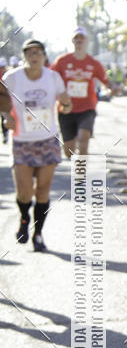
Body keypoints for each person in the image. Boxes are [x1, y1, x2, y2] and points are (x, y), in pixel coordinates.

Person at [1, 39, 72, 251]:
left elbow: (66, 105)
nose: (34, 56)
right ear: (24, 56)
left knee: (43, 190)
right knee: (24, 192)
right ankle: (25, 218)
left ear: (44, 56)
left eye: (38, 52)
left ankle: (38, 234)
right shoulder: (12, 78)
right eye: (30, 53)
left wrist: (67, 103)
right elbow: (2, 101)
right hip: (22, 141)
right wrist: (6, 117)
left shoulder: (53, 78)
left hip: (48, 139)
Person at [51, 27, 110, 158]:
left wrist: (112, 88)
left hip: (87, 108)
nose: (79, 40)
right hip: (66, 109)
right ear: (72, 40)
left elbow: (106, 80)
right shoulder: (62, 61)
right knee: (69, 151)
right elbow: (49, 77)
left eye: (81, 38)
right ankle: (73, 151)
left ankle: (81, 171)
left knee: (84, 141)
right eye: (76, 38)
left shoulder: (93, 63)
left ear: (86, 40)